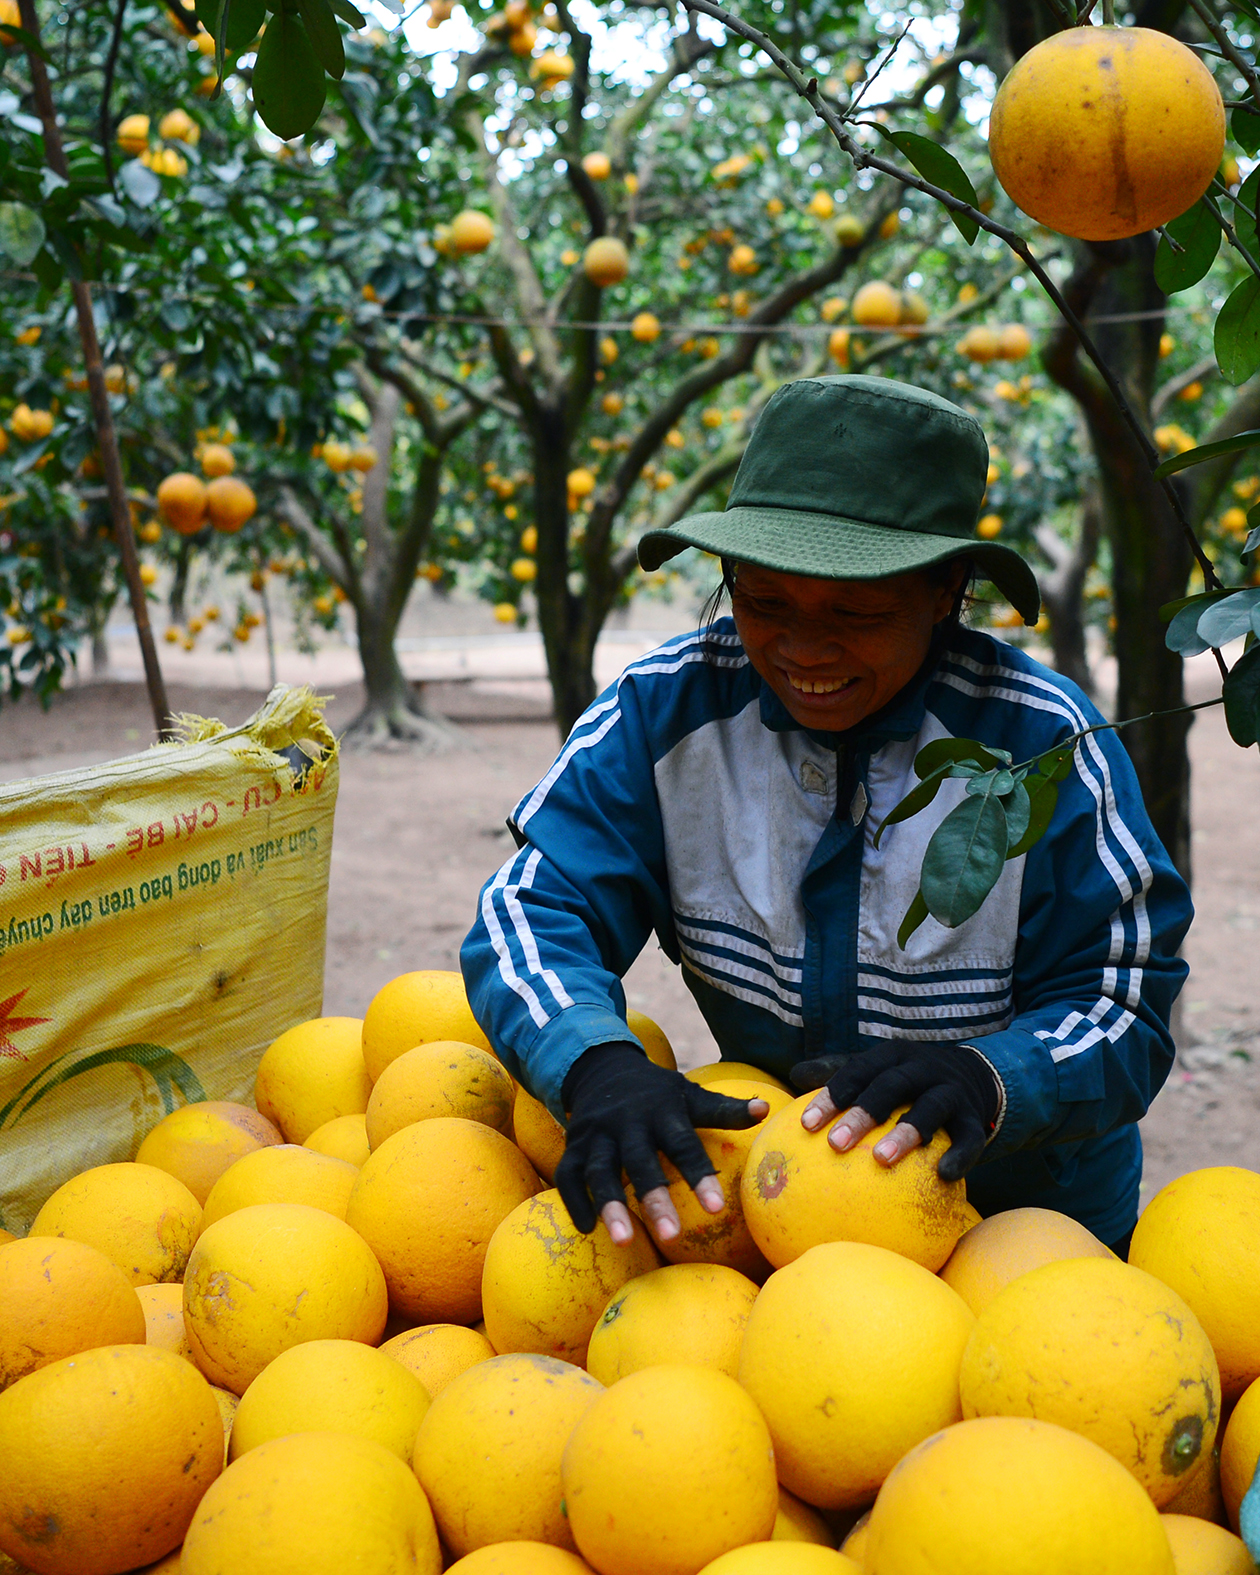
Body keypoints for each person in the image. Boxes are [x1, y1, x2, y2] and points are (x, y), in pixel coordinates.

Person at [460, 374, 1191, 1255]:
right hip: (794, 1213)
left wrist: (992, 1078)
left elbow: (1125, 1004)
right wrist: (595, 1064)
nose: (803, 648)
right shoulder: (664, 716)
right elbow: (532, 910)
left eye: (858, 610)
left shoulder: (1044, 745)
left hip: (1026, 1231)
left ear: (945, 589)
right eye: (764, 602)